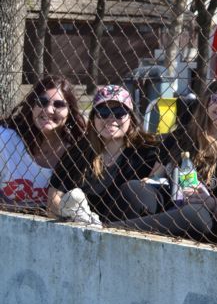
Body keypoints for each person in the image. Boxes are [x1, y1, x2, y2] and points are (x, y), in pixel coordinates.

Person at [110, 79, 217, 240]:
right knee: (134, 189)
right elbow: (155, 176)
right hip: (171, 200)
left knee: (191, 214)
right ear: (206, 101)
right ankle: (117, 234)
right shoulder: (181, 136)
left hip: (204, 212)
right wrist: (148, 181)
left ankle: (109, 231)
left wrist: (210, 201)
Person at [47, 86, 160, 225]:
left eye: (119, 112)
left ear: (130, 117)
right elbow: (53, 198)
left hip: (129, 231)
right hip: (81, 228)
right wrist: (72, 216)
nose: (111, 119)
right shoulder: (79, 152)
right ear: (93, 118)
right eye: (103, 112)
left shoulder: (148, 152)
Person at [0, 75, 87, 211]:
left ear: (69, 111)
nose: (49, 110)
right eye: (42, 102)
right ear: (32, 106)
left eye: (59, 105)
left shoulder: (77, 150)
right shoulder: (6, 140)